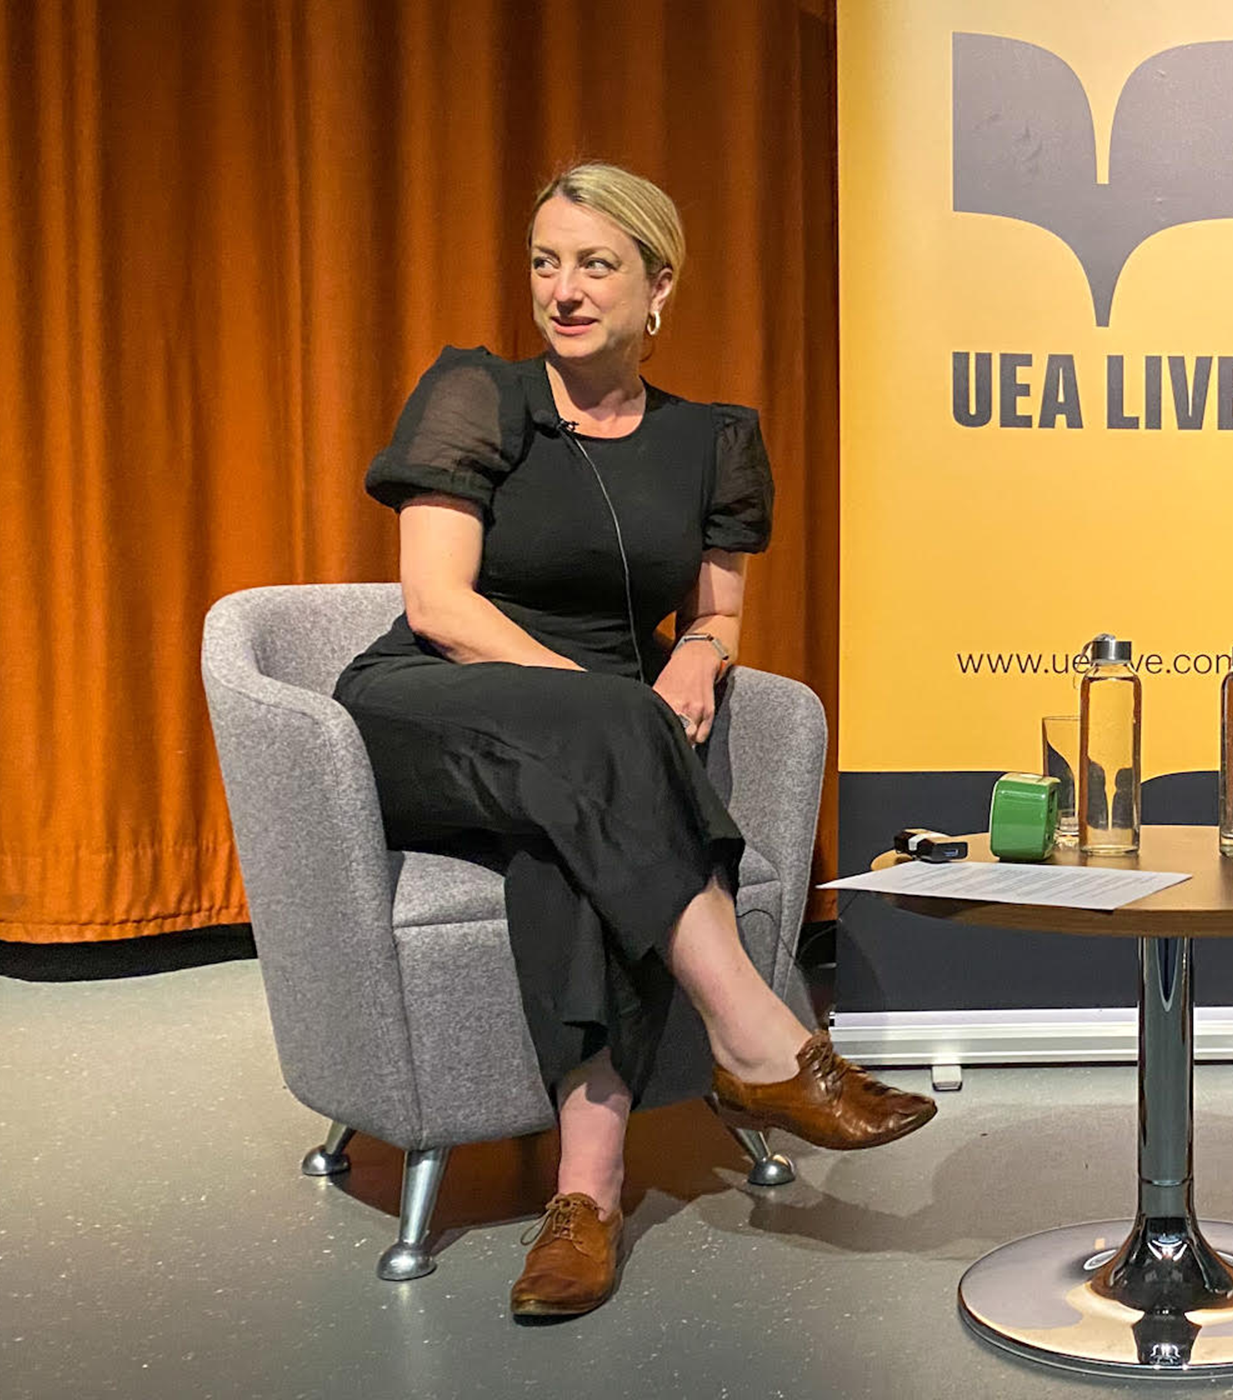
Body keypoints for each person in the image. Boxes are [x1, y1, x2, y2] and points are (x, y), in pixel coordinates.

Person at [334, 163, 934, 1320]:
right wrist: (604, 708)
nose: (562, 289)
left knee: (568, 837)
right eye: (544, 262)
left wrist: (700, 652)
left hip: (595, 751)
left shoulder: (712, 439)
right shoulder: (477, 391)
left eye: (594, 264)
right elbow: (440, 604)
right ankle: (760, 1035)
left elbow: (717, 612)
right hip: (434, 707)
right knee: (600, 744)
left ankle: (587, 1196)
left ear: (659, 285)